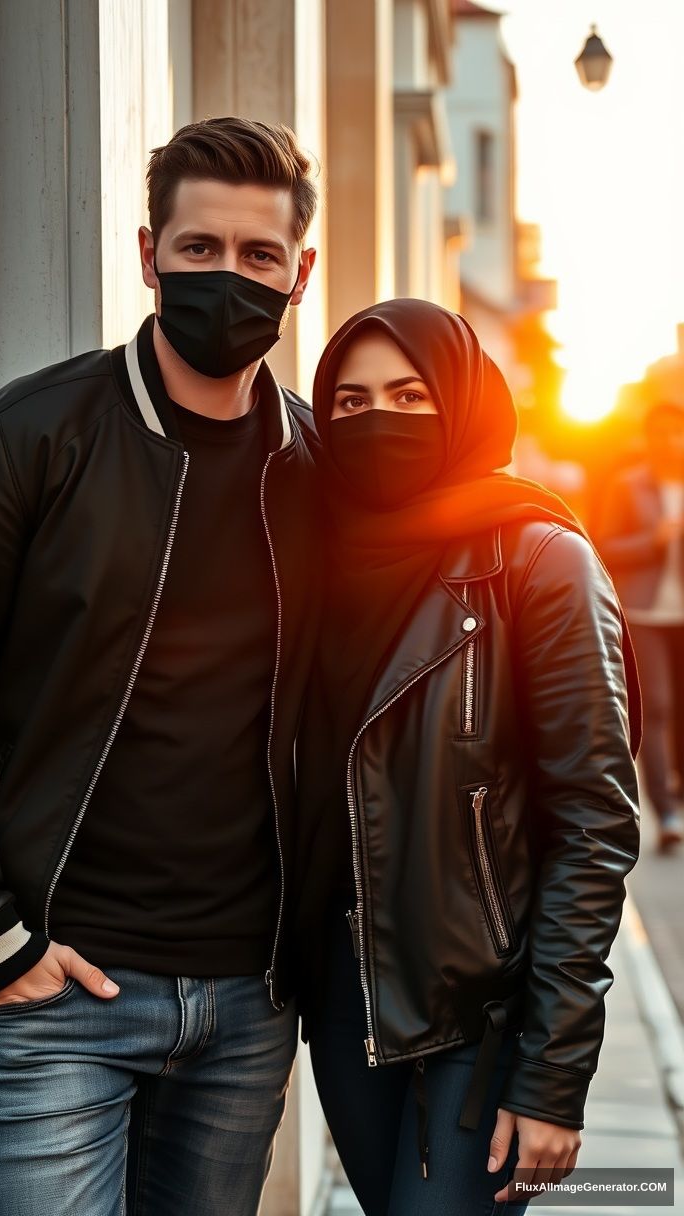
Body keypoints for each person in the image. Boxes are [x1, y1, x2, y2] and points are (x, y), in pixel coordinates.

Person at [0, 116, 321, 1216]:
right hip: (52, 995)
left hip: (247, 1010)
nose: (228, 278)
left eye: (259, 257)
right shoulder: (29, 435)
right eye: (198, 249)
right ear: (147, 253)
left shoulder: (322, 471)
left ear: (301, 272)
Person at [293, 298, 641, 1216]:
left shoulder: (539, 560)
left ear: (466, 402)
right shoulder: (312, 555)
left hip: (482, 1018)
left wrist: (552, 1074)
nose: (380, 423)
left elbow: (594, 826)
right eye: (353, 403)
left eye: (412, 395)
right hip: (343, 999)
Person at [597, 399, 684, 852]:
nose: (671, 441)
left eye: (678, 431)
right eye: (662, 432)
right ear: (649, 437)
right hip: (646, 615)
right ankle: (666, 811)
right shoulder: (628, 485)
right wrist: (653, 541)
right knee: (658, 709)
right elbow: (605, 545)